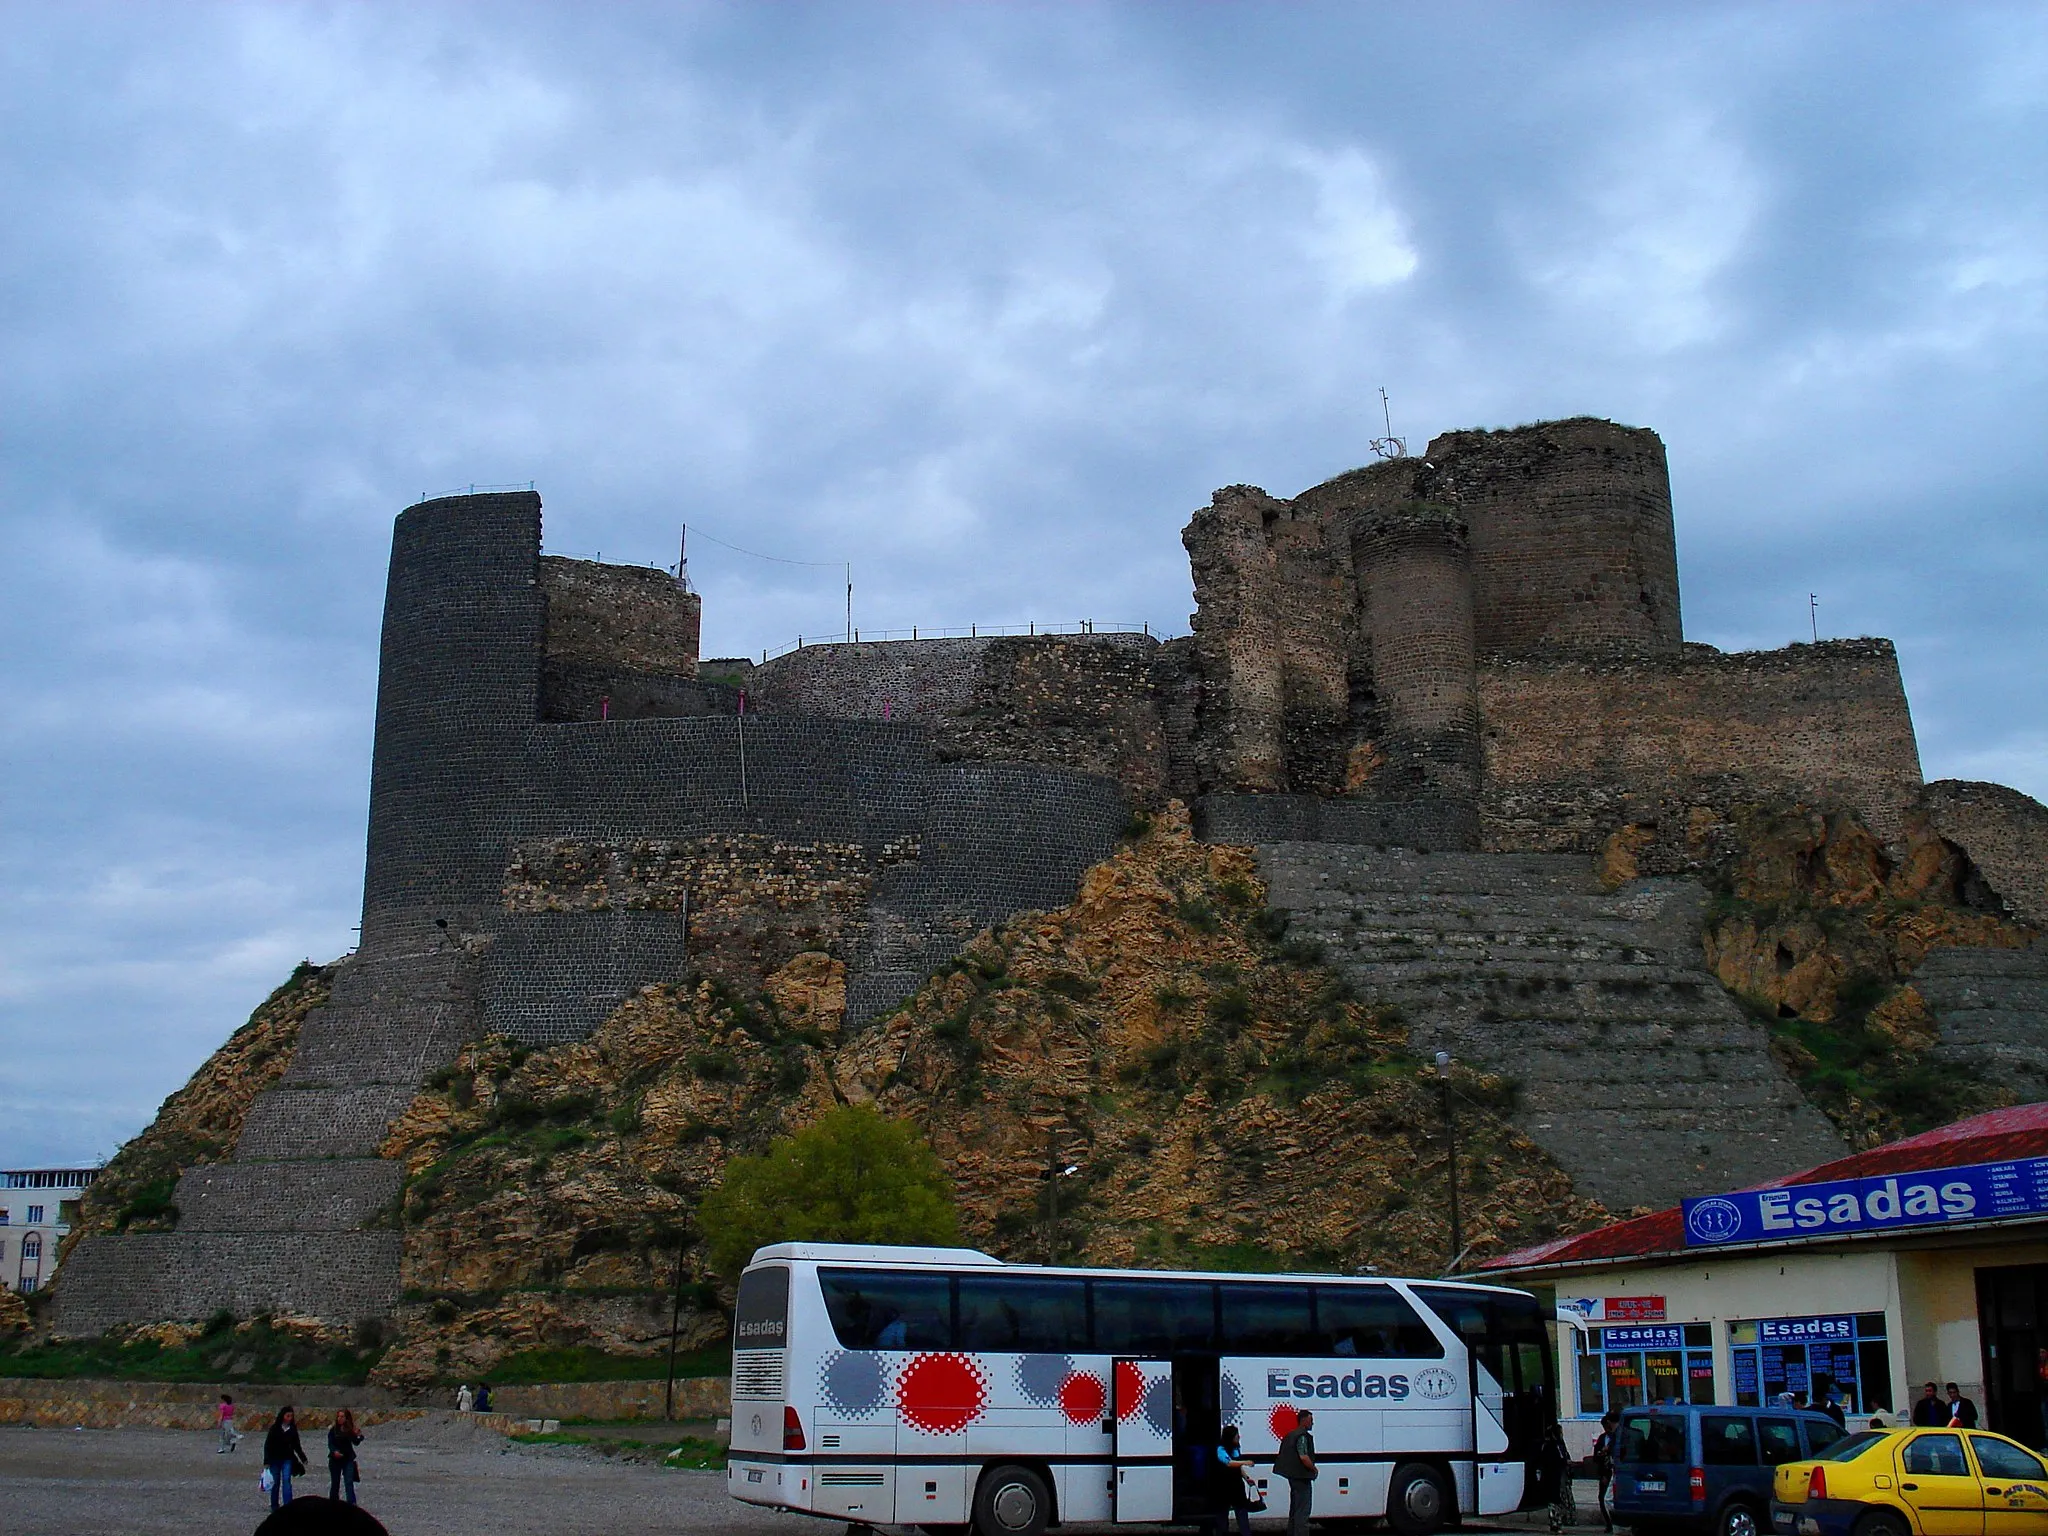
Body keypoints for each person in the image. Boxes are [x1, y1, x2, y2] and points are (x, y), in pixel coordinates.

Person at [1273, 1408, 1316, 1536]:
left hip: (1292, 1477)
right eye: (1311, 1421)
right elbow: (1303, 1456)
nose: (1312, 1423)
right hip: (1301, 1477)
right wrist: (1313, 1468)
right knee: (1302, 1512)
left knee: (1294, 1510)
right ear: (1304, 1421)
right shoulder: (1302, 1436)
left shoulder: (1290, 1434)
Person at [1211, 1424, 1257, 1536]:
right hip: (1223, 1486)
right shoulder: (1220, 1449)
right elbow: (1229, 1463)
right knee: (1222, 1515)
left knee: (1242, 1513)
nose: (1239, 1437)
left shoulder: (1236, 1448)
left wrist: (1246, 1478)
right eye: (1236, 1435)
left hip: (1237, 1486)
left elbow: (1237, 1466)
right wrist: (1246, 1462)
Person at [263, 1405, 308, 1510]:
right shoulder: (275, 1428)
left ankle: (288, 1505)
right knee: (276, 1482)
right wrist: (266, 1460)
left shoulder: (292, 1429)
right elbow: (268, 1445)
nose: (289, 1418)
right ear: (283, 1416)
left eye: (291, 1416)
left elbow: (296, 1445)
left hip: (287, 1458)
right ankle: (274, 1505)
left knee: (287, 1481)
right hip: (274, 1459)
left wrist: (303, 1457)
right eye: (288, 1416)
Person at [1538, 1423, 1576, 1535]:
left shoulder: (1560, 1445)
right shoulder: (1549, 1446)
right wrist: (1564, 1462)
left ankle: (1562, 1521)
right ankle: (1555, 1524)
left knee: (1562, 1501)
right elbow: (1550, 1462)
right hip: (1553, 1478)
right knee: (1554, 1502)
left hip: (1561, 1477)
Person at [327, 1408, 364, 1505]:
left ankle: (351, 1504)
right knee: (335, 1483)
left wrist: (359, 1435)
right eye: (338, 1416)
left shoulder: (350, 1430)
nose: (340, 1418)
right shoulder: (333, 1430)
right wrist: (334, 1451)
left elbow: (356, 1442)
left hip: (348, 1459)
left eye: (342, 1416)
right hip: (335, 1460)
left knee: (349, 1482)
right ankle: (333, 1504)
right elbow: (330, 1444)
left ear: (347, 1418)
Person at [1592, 1411, 1618, 1533]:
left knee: (1611, 1498)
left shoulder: (1617, 1437)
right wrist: (1600, 1453)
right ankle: (1609, 1523)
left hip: (1614, 1471)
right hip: (1605, 1472)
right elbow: (1595, 1457)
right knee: (1602, 1498)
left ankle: (1615, 1522)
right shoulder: (1602, 1438)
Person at [2037, 1347, 2048, 1448]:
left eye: (2043, 1352)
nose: (2041, 1355)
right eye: (2040, 1352)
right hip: (2044, 1396)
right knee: (2045, 1424)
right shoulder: (2040, 1365)